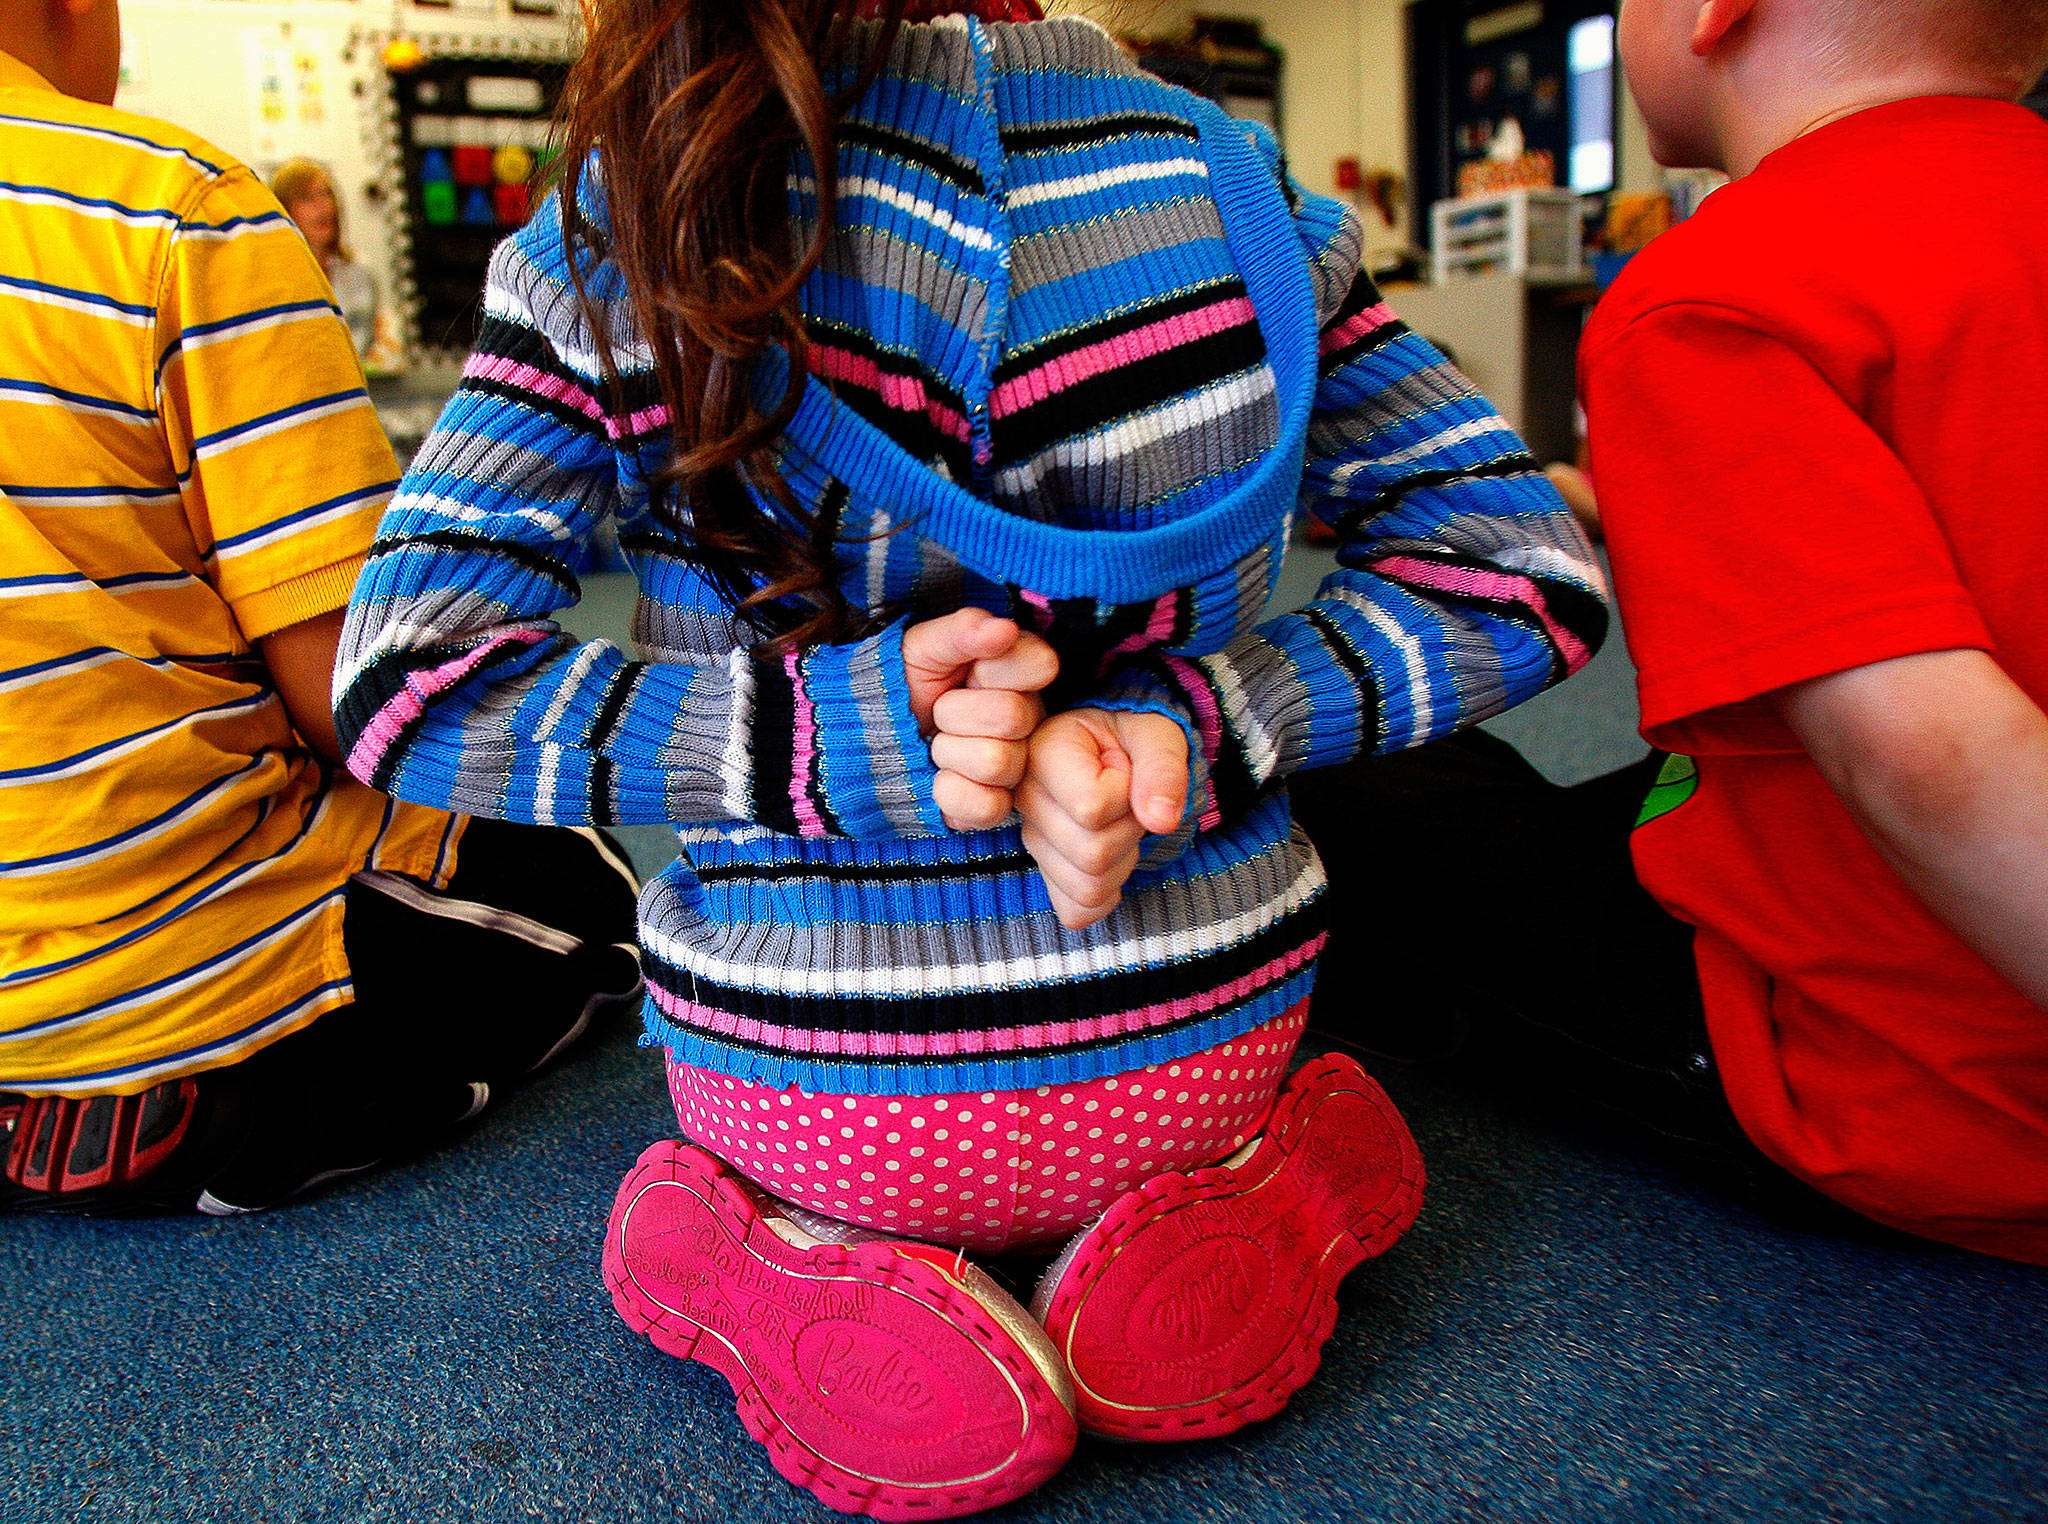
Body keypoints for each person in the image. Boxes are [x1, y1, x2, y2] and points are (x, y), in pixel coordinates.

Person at [335, 0, 1606, 1515]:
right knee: (1238, 1049)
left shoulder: (632, 233)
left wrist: (835, 733)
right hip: (1205, 1035)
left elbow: (409, 681)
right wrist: (1191, 728)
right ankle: (1233, 1204)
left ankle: (776, 1259)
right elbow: (1526, 572)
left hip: (816, 1086)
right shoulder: (1249, 204)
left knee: (741, 1165)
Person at [1301, 0, 2048, 1265]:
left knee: (1346, 774)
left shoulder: (1718, 290)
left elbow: (1926, 758)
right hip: (1870, 873)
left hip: (1910, 1087)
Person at [0, 0, 641, 1216]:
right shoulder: (168, 209)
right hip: (177, 973)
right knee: (594, 892)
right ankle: (200, 1096)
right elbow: (363, 700)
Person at [271, 157, 406, 374]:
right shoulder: (275, 278)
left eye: (325, 194)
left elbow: (381, 339)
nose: (322, 207)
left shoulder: (360, 271)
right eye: (306, 198)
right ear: (284, 211)